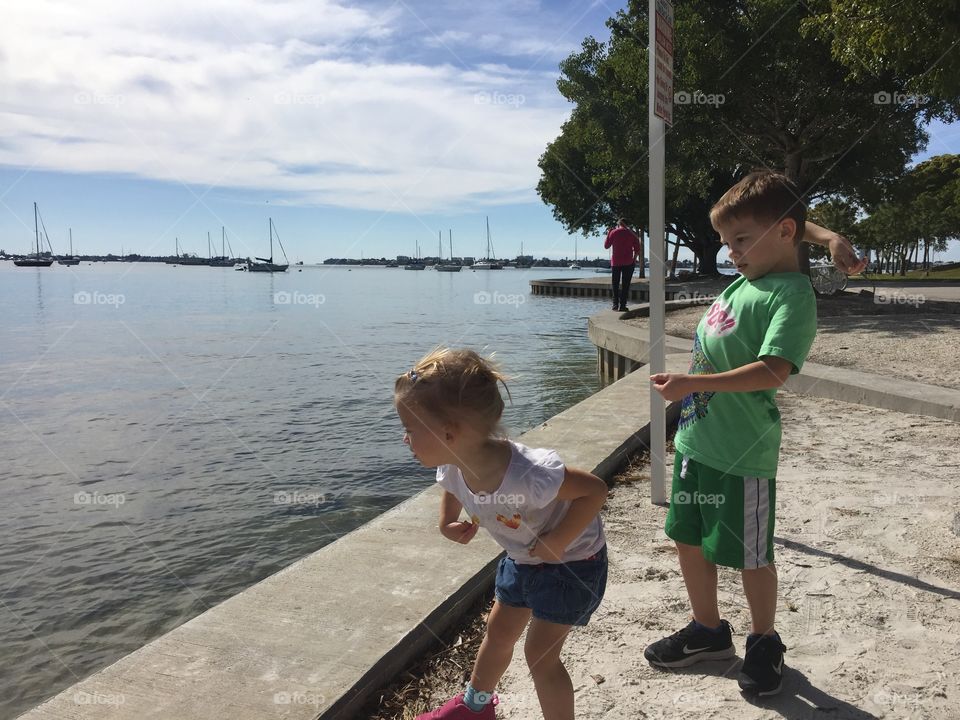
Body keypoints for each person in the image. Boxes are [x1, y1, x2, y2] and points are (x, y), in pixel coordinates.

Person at [645, 170, 829, 697]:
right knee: (687, 538)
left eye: (742, 239)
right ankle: (708, 631)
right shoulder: (743, 282)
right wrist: (832, 237)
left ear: (786, 232)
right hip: (695, 444)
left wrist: (692, 384)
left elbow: (774, 370)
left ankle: (764, 640)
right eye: (727, 242)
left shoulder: (791, 294)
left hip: (741, 454)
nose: (732, 252)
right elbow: (792, 222)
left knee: (751, 555)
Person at [395, 348, 608, 720]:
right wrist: (447, 522)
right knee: (498, 632)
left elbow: (594, 491)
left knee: (540, 654)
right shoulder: (454, 463)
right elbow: (451, 487)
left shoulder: (527, 475)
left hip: (573, 565)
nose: (404, 439)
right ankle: (475, 707)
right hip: (522, 559)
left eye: (410, 430)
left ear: (449, 433)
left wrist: (558, 541)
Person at [604, 218, 642, 311]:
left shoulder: (613, 232)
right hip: (628, 262)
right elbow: (637, 249)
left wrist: (609, 233)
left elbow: (606, 246)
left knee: (615, 284)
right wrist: (634, 259)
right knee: (626, 285)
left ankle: (615, 305)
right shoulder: (632, 233)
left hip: (616, 262)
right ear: (628, 224)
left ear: (619, 224)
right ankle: (623, 306)